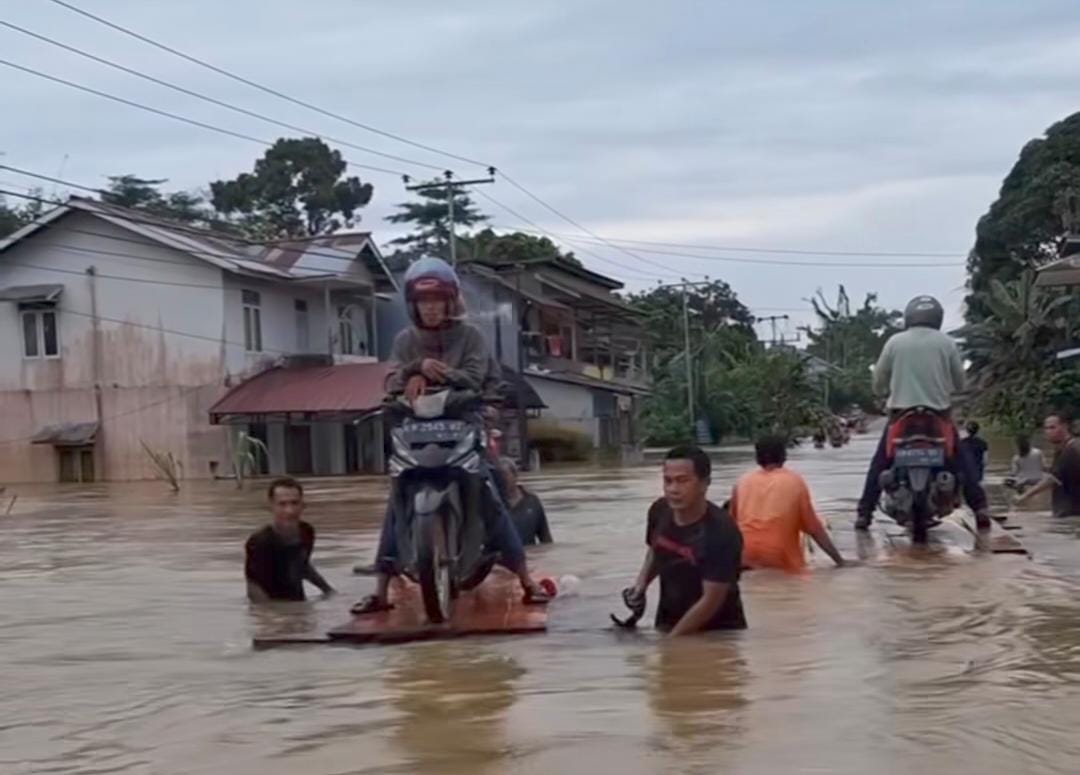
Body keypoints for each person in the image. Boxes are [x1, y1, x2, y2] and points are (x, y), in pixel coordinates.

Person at [351, 257, 549, 614]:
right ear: (413, 305)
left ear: (449, 302)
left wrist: (439, 377)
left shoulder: (471, 336)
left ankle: (525, 579)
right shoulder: (405, 340)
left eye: (436, 300)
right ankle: (380, 591)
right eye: (422, 301)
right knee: (397, 497)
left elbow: (476, 377)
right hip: (414, 430)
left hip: (464, 424)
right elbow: (392, 381)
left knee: (491, 490)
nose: (429, 308)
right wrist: (416, 367)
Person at [854, 295, 992, 531]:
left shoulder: (894, 342)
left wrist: (882, 391)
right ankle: (980, 509)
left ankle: (864, 514)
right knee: (963, 460)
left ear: (909, 317)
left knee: (879, 463)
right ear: (937, 318)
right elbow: (960, 383)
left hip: (900, 415)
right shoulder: (947, 343)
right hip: (938, 415)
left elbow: (878, 381)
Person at [624, 445, 746, 636]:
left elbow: (711, 600)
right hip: (668, 621)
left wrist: (672, 643)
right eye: (668, 481)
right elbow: (657, 549)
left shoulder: (722, 531)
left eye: (682, 481)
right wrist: (641, 586)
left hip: (717, 633)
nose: (673, 490)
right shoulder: (660, 510)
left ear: (704, 484)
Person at [730, 436, 847, 572]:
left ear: (757, 458)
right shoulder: (794, 481)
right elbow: (814, 529)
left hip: (745, 554)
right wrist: (839, 561)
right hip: (778, 555)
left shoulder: (742, 482)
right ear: (784, 456)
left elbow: (730, 525)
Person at [245, 477, 335, 602]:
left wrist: (328, 591)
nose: (290, 511)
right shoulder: (260, 541)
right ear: (271, 506)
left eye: (294, 503)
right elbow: (254, 587)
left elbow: (302, 565)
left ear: (303, 505)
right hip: (273, 607)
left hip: (299, 603)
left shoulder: (307, 531)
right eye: (282, 504)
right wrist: (271, 617)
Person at [1015, 411, 1080, 518]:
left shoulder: (1070, 450)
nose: (1048, 432)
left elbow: (1051, 479)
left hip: (1070, 514)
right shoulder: (1063, 449)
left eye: (1052, 428)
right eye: (1046, 428)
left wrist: (1024, 497)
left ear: (1064, 427)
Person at [499, 457, 553, 545]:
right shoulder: (493, 504)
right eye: (498, 476)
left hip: (530, 556)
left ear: (515, 476)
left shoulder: (532, 501)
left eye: (504, 474)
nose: (501, 479)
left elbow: (546, 539)